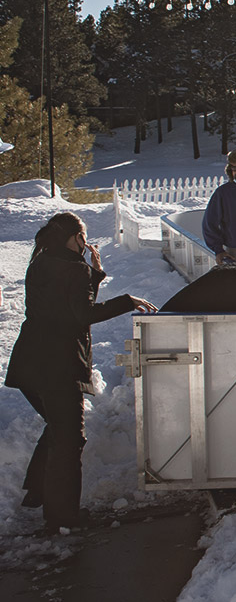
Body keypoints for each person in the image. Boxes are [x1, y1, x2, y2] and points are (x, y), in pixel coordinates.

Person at [4, 213, 155, 532]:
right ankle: (62, 518)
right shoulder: (74, 269)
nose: (85, 243)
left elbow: (69, 305)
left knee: (60, 429)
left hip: (31, 363)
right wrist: (126, 300)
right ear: (72, 238)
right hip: (59, 365)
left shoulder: (40, 264)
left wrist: (94, 274)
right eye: (82, 236)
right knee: (70, 438)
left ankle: (40, 492)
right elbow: (83, 312)